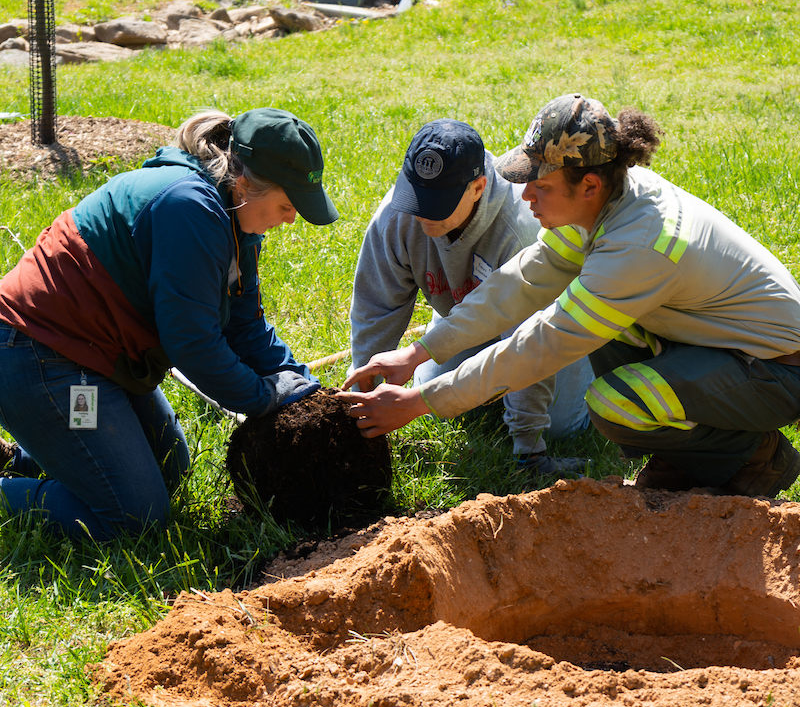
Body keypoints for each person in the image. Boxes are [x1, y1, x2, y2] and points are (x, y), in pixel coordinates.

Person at [342, 93, 800, 499]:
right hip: (717, 345)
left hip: (774, 369)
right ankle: (691, 456)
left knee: (615, 403)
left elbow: (542, 344)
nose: (525, 198)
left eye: (539, 186)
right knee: (612, 345)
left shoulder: (639, 246)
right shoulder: (603, 205)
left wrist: (420, 401)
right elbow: (517, 284)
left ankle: (756, 456)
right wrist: (418, 352)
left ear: (589, 185)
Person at [0, 107, 338, 541]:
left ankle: (30, 457)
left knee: (168, 467)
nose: (291, 218)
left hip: (99, 358)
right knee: (134, 516)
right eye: (287, 205)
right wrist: (264, 397)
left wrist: (303, 386)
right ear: (245, 184)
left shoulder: (236, 219)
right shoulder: (188, 208)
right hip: (42, 357)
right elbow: (193, 345)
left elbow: (245, 326)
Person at [349, 118, 593, 473]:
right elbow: (376, 307)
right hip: (463, 318)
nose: (422, 213)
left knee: (557, 426)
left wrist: (528, 448)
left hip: (550, 326)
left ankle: (597, 363)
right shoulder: (399, 215)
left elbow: (530, 344)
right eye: (416, 196)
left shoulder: (521, 227)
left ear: (478, 187)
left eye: (438, 202)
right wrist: (365, 388)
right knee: (431, 389)